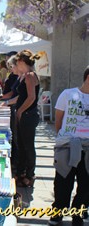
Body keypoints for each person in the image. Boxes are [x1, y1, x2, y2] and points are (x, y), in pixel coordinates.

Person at [48, 66, 89, 226]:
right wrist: (63, 138)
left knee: (86, 184)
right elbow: (58, 120)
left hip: (88, 147)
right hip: (67, 145)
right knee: (63, 181)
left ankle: (78, 211)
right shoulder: (68, 94)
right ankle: (57, 211)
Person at [14, 49, 40, 187]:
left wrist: (21, 111)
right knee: (23, 145)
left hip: (28, 115)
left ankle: (30, 174)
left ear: (22, 61)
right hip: (26, 114)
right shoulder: (26, 75)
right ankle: (22, 172)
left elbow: (31, 97)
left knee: (28, 146)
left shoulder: (30, 75)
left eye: (17, 62)